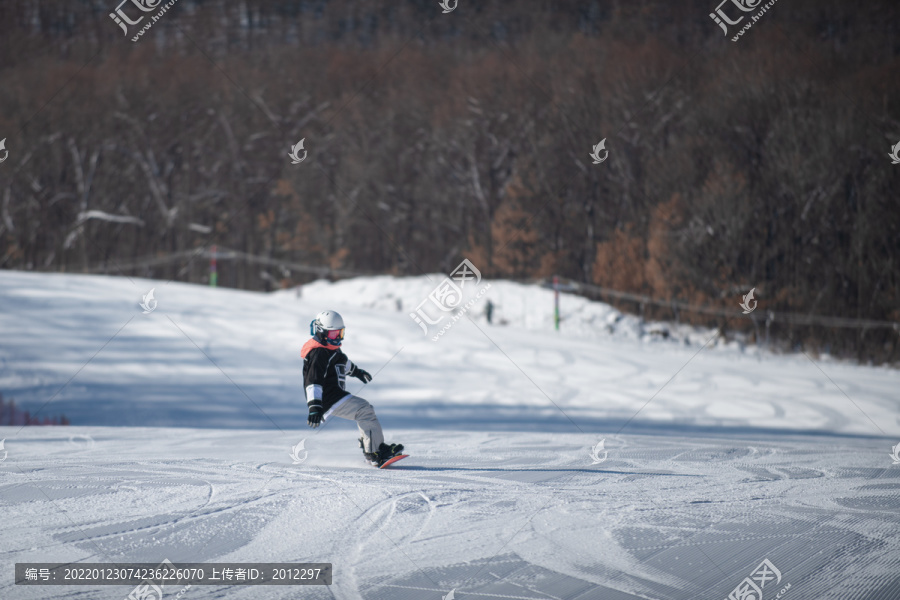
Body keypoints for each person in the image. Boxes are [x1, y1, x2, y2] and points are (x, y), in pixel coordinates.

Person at [302, 310, 404, 466]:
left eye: (340, 333)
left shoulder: (331, 349)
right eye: (333, 334)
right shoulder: (319, 353)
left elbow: (343, 363)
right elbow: (313, 381)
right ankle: (375, 452)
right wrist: (314, 406)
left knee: (364, 411)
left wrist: (357, 372)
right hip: (328, 398)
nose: (337, 337)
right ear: (322, 332)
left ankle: (372, 449)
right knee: (364, 410)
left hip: (336, 396)